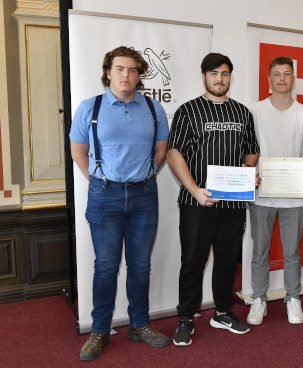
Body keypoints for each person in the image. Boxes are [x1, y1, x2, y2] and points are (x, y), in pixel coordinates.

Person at [70, 46, 170, 361]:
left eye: (131, 70)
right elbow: (78, 153)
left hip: (144, 195)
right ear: (108, 72)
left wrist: (141, 177)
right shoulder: (90, 108)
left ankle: (139, 325)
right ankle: (100, 330)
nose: (125, 75)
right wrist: (100, 180)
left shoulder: (154, 109)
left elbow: (161, 152)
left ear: (139, 75)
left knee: (140, 265)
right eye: (119, 69)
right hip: (104, 195)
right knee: (106, 266)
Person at [167, 53, 260, 347]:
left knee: (226, 261)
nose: (219, 79)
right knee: (193, 261)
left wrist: (249, 172)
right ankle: (186, 317)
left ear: (230, 76)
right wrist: (195, 189)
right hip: (197, 203)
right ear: (204, 76)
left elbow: (252, 151)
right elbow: (173, 153)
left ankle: (222, 312)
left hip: (232, 204)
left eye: (224, 73)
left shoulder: (243, 113)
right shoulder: (187, 111)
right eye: (213, 74)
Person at [246, 57, 303, 326]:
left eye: (287, 74)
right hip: (261, 193)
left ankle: (293, 298)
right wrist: (247, 172)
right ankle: (258, 299)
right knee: (260, 252)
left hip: (295, 195)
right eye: (276, 74)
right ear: (268, 79)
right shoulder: (253, 111)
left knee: (292, 253)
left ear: (293, 79)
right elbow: (247, 152)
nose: (281, 79)